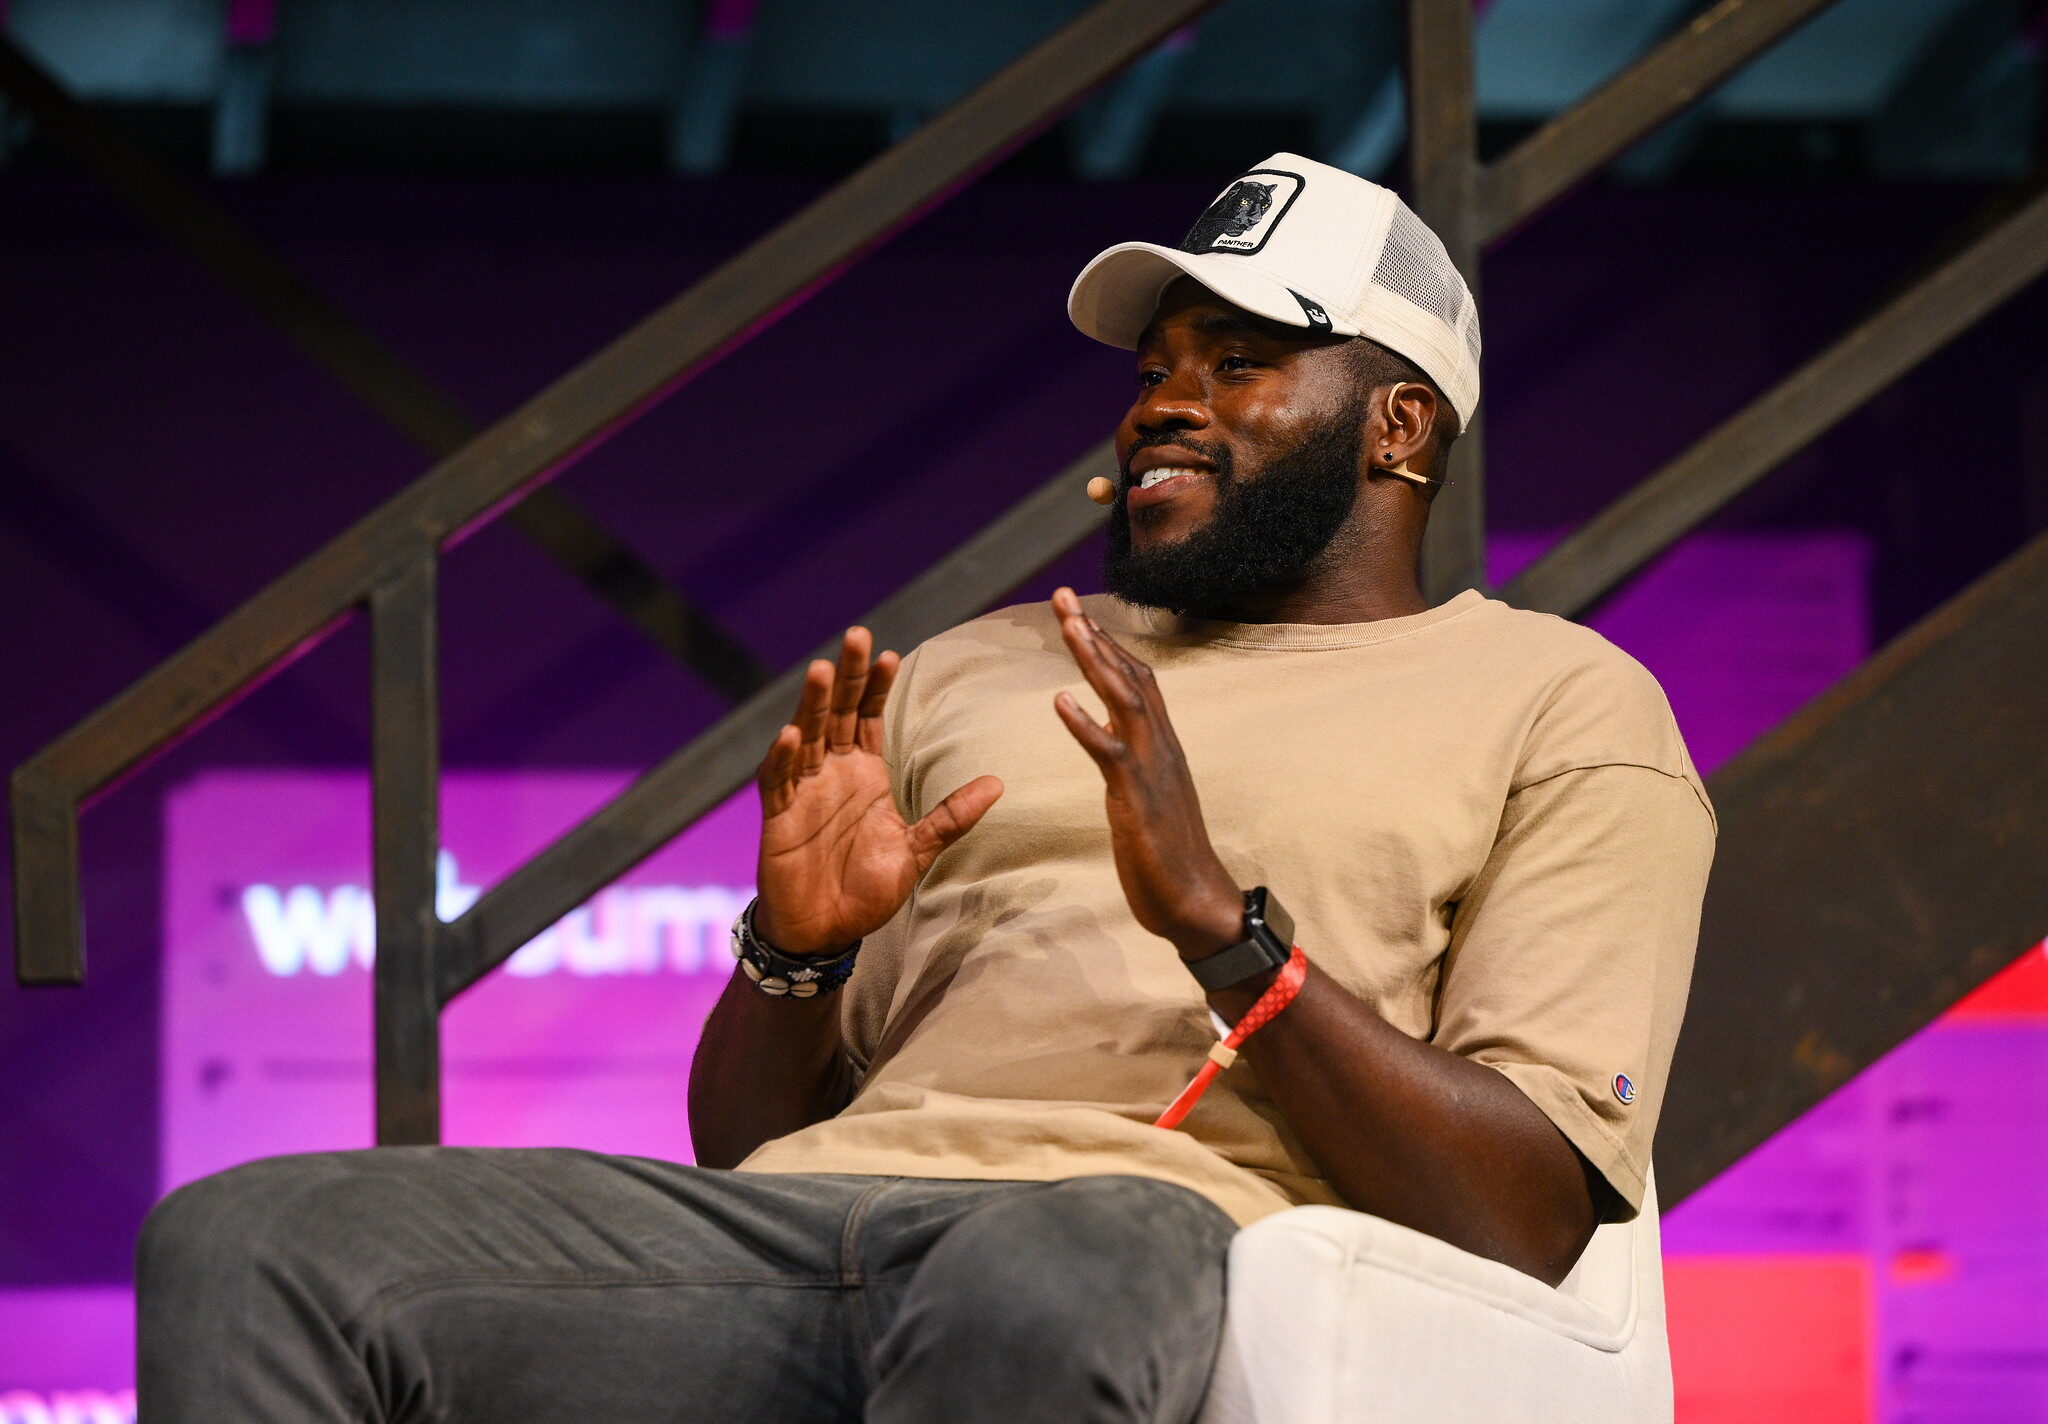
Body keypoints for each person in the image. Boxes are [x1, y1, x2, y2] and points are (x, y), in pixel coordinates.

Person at [136, 154, 1714, 1424]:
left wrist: (1228, 932)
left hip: (1149, 1241)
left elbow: (1525, 1213)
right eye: (1158, 369)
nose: (1164, 401)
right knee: (253, 1245)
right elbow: (751, 1149)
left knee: (1049, 1264)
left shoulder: (1560, 704)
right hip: (825, 1231)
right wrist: (795, 953)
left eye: (1240, 365)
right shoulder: (978, 668)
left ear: (1402, 427)